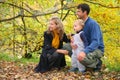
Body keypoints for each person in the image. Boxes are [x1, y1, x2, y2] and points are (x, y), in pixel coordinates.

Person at [73, 3, 104, 72]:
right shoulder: (80, 23)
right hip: (84, 46)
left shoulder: (93, 24)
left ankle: (97, 63)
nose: (76, 13)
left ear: (85, 12)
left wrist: (84, 51)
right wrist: (73, 44)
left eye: (79, 11)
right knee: (67, 47)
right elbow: (79, 38)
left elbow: (96, 42)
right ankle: (80, 65)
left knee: (81, 57)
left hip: (97, 49)